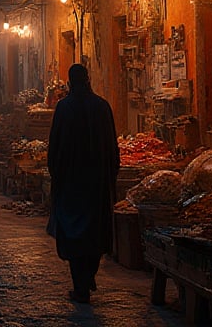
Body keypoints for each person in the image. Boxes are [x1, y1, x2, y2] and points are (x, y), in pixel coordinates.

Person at [47, 63, 120, 305]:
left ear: (70, 82)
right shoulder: (102, 107)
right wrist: (110, 177)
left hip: (71, 183)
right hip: (97, 182)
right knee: (95, 232)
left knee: (73, 233)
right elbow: (112, 147)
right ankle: (88, 276)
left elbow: (54, 147)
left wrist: (56, 176)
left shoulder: (64, 108)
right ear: (88, 79)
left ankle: (81, 286)